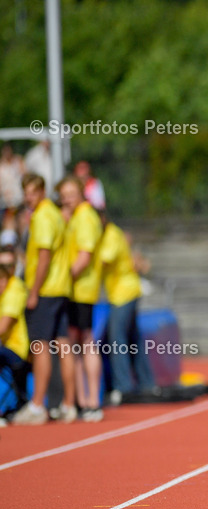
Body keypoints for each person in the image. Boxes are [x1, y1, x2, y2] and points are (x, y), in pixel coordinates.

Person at [12, 174, 76, 425]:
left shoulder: (43, 216)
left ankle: (38, 404)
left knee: (40, 347)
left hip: (47, 289)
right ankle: (68, 404)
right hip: (61, 288)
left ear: (41, 191)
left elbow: (45, 256)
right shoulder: (55, 214)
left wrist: (34, 290)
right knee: (63, 345)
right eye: (25, 192)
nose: (28, 197)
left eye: (32, 192)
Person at [97, 214, 157, 404]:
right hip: (126, 291)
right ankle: (147, 383)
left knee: (117, 340)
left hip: (123, 294)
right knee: (134, 339)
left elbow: (102, 262)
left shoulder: (111, 236)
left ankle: (123, 387)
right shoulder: (112, 235)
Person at [59, 176, 105, 422]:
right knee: (75, 344)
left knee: (85, 342)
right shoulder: (76, 216)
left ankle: (92, 401)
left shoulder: (86, 217)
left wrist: (64, 277)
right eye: (63, 195)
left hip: (81, 289)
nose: (66, 199)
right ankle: (81, 400)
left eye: (70, 193)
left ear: (81, 193)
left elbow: (84, 256)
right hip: (75, 289)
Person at [0, 248, 30, 422]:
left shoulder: (15, 288)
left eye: (9, 265)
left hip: (16, 350)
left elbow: (3, 327)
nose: (6, 268)